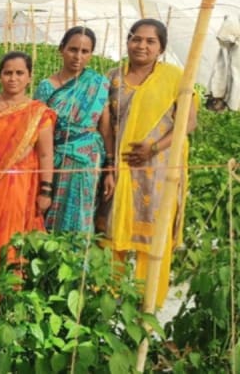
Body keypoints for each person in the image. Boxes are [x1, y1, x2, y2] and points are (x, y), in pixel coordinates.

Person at [99, 19, 198, 307]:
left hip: (159, 170)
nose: (141, 46)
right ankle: (105, 301)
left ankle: (148, 306)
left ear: (161, 48)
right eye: (136, 39)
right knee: (110, 233)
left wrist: (153, 148)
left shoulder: (177, 77)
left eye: (150, 41)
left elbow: (187, 122)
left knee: (154, 238)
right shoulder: (112, 77)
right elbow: (105, 124)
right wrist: (109, 163)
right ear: (127, 42)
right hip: (120, 168)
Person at [0, 52, 55, 317]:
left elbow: (45, 154)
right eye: (8, 72)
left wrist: (46, 190)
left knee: (13, 242)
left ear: (29, 77)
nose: (13, 78)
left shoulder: (37, 112)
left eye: (19, 73)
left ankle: (8, 304)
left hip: (21, 188)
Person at [35, 26, 114, 234]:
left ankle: (78, 263)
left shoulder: (98, 84)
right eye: (72, 49)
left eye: (85, 51)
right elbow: (38, 132)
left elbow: (105, 129)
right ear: (61, 49)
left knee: (81, 216)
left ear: (90, 54)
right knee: (48, 215)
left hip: (88, 161)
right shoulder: (47, 87)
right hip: (55, 160)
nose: (78, 56)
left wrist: (110, 168)